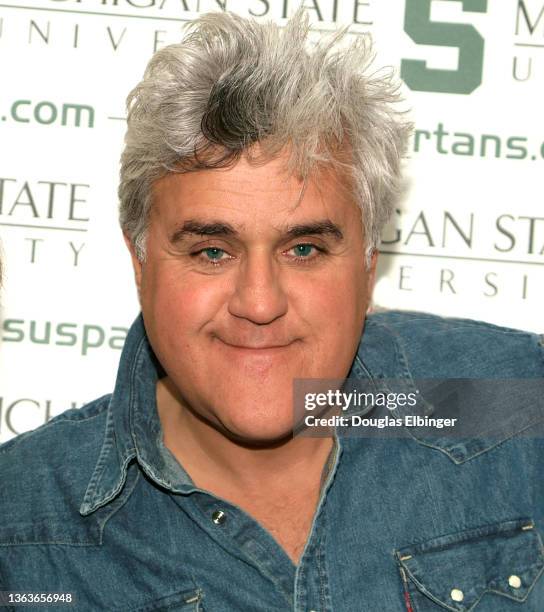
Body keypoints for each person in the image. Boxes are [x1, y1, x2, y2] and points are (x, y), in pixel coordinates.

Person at [1, 9, 543, 612]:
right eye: (211, 250)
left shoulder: (509, 401)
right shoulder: (22, 528)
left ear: (367, 264)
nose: (259, 303)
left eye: (304, 248)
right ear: (140, 260)